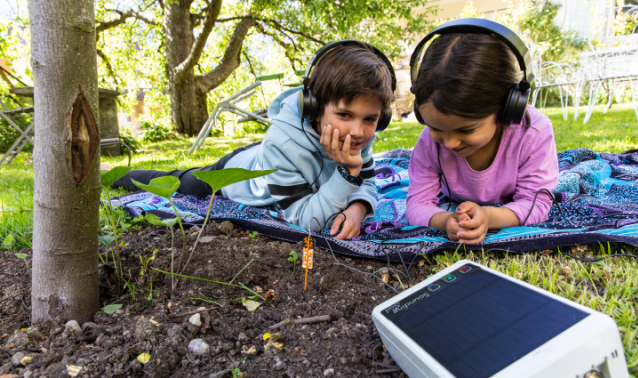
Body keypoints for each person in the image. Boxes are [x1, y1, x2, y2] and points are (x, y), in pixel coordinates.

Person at [114, 41, 396, 240]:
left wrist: (357, 210)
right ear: (314, 106)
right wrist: (347, 174)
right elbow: (307, 220)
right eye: (345, 114)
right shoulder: (283, 145)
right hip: (236, 175)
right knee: (177, 181)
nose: (358, 131)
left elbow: (367, 181)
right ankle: (120, 176)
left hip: (265, 155)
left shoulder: (358, 137)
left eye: (370, 119)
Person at [406, 19, 559, 244]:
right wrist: (445, 220)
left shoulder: (534, 133)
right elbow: (417, 204)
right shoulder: (429, 143)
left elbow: (536, 205)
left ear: (508, 108)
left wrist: (489, 216)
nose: (449, 143)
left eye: (466, 130)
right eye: (436, 128)